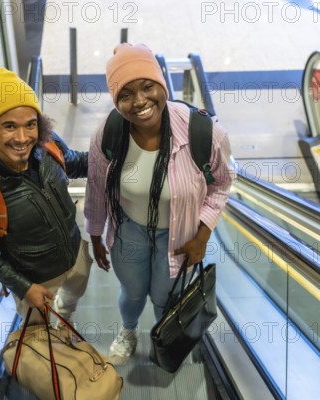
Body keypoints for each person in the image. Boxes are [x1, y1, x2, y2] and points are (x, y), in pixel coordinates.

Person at [84, 43, 235, 365]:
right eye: (125, 94)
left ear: (162, 84)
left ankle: (165, 333)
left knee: (165, 296)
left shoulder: (203, 132)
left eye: (147, 86)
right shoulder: (108, 135)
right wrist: (96, 236)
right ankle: (128, 330)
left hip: (179, 236)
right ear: (115, 100)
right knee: (133, 292)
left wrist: (202, 236)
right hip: (129, 231)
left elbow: (221, 183)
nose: (139, 101)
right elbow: (97, 187)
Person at [0, 68, 91, 324]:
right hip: (36, 281)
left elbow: (75, 163)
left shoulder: (48, 146)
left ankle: (66, 316)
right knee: (39, 339)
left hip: (76, 254)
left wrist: (117, 152)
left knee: (72, 299)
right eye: (9, 127)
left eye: (30, 124)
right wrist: (24, 287)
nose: (22, 138)